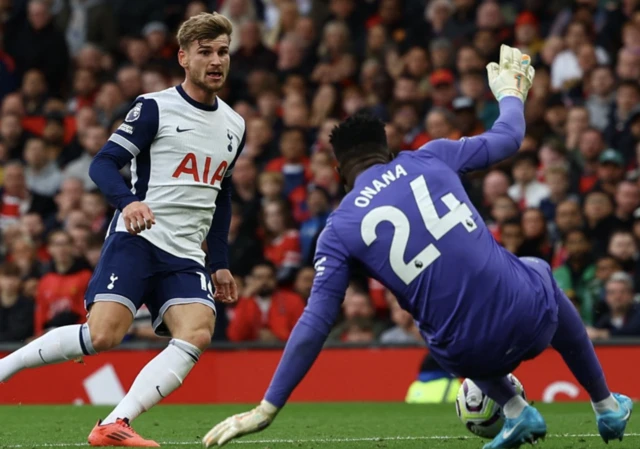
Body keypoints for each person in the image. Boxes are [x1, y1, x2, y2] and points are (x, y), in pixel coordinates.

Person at [202, 46, 632, 449]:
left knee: (431, 325)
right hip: (531, 314)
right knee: (536, 265)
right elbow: (509, 137)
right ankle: (605, 407)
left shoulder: (338, 229)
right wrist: (510, 93)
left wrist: (267, 406)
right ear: (387, 151)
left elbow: (316, 320)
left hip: (467, 352)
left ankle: (517, 409)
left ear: (338, 171)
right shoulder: (431, 156)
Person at [0, 12, 244, 447]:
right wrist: (128, 201)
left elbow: (220, 194)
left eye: (222, 52)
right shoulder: (155, 107)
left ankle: (115, 424)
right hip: (139, 239)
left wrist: (220, 262)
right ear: (183, 57)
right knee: (103, 336)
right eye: (205, 52)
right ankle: (6, 367)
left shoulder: (234, 124)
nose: (216, 61)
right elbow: (103, 163)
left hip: (186, 251)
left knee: (199, 331)